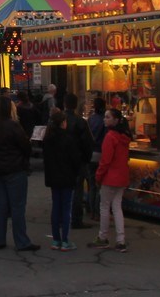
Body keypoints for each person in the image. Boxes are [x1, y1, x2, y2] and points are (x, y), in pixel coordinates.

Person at [0, 95, 39, 252]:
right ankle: (22, 241)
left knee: (0, 204)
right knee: (17, 206)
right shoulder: (13, 126)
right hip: (14, 168)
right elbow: (25, 147)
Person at [42, 109, 84, 251]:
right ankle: (65, 240)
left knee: (56, 207)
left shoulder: (48, 139)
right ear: (62, 123)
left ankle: (55, 239)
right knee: (66, 208)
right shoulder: (68, 138)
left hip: (54, 176)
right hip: (67, 176)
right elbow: (75, 158)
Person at [91, 108, 130, 253]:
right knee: (117, 207)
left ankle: (103, 236)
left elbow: (105, 161)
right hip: (122, 176)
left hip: (109, 177)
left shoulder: (110, 137)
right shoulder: (124, 137)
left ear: (115, 120)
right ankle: (121, 240)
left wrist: (98, 176)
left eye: (107, 117)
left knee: (104, 207)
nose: (104, 119)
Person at [64, 93, 95, 229]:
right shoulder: (80, 122)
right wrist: (86, 158)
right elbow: (88, 143)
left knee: (62, 190)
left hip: (62, 161)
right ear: (76, 105)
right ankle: (76, 219)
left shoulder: (57, 120)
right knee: (77, 191)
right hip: (78, 161)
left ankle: (62, 217)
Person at [86, 96, 107, 218]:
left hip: (90, 154)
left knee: (91, 184)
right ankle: (97, 211)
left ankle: (90, 209)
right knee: (100, 185)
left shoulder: (90, 119)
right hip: (100, 153)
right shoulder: (104, 120)